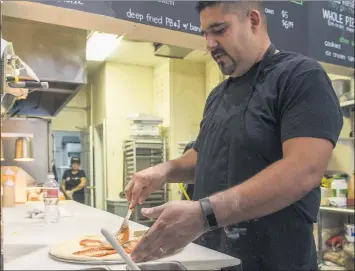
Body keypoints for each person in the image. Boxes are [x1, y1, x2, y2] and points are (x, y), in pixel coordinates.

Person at [125, 1, 343, 270]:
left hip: (275, 261)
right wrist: (165, 170)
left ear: (253, 20)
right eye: (205, 33)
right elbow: (206, 155)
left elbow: (304, 169)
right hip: (213, 259)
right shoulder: (218, 96)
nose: (210, 43)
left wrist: (205, 214)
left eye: (219, 30)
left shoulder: (300, 76)